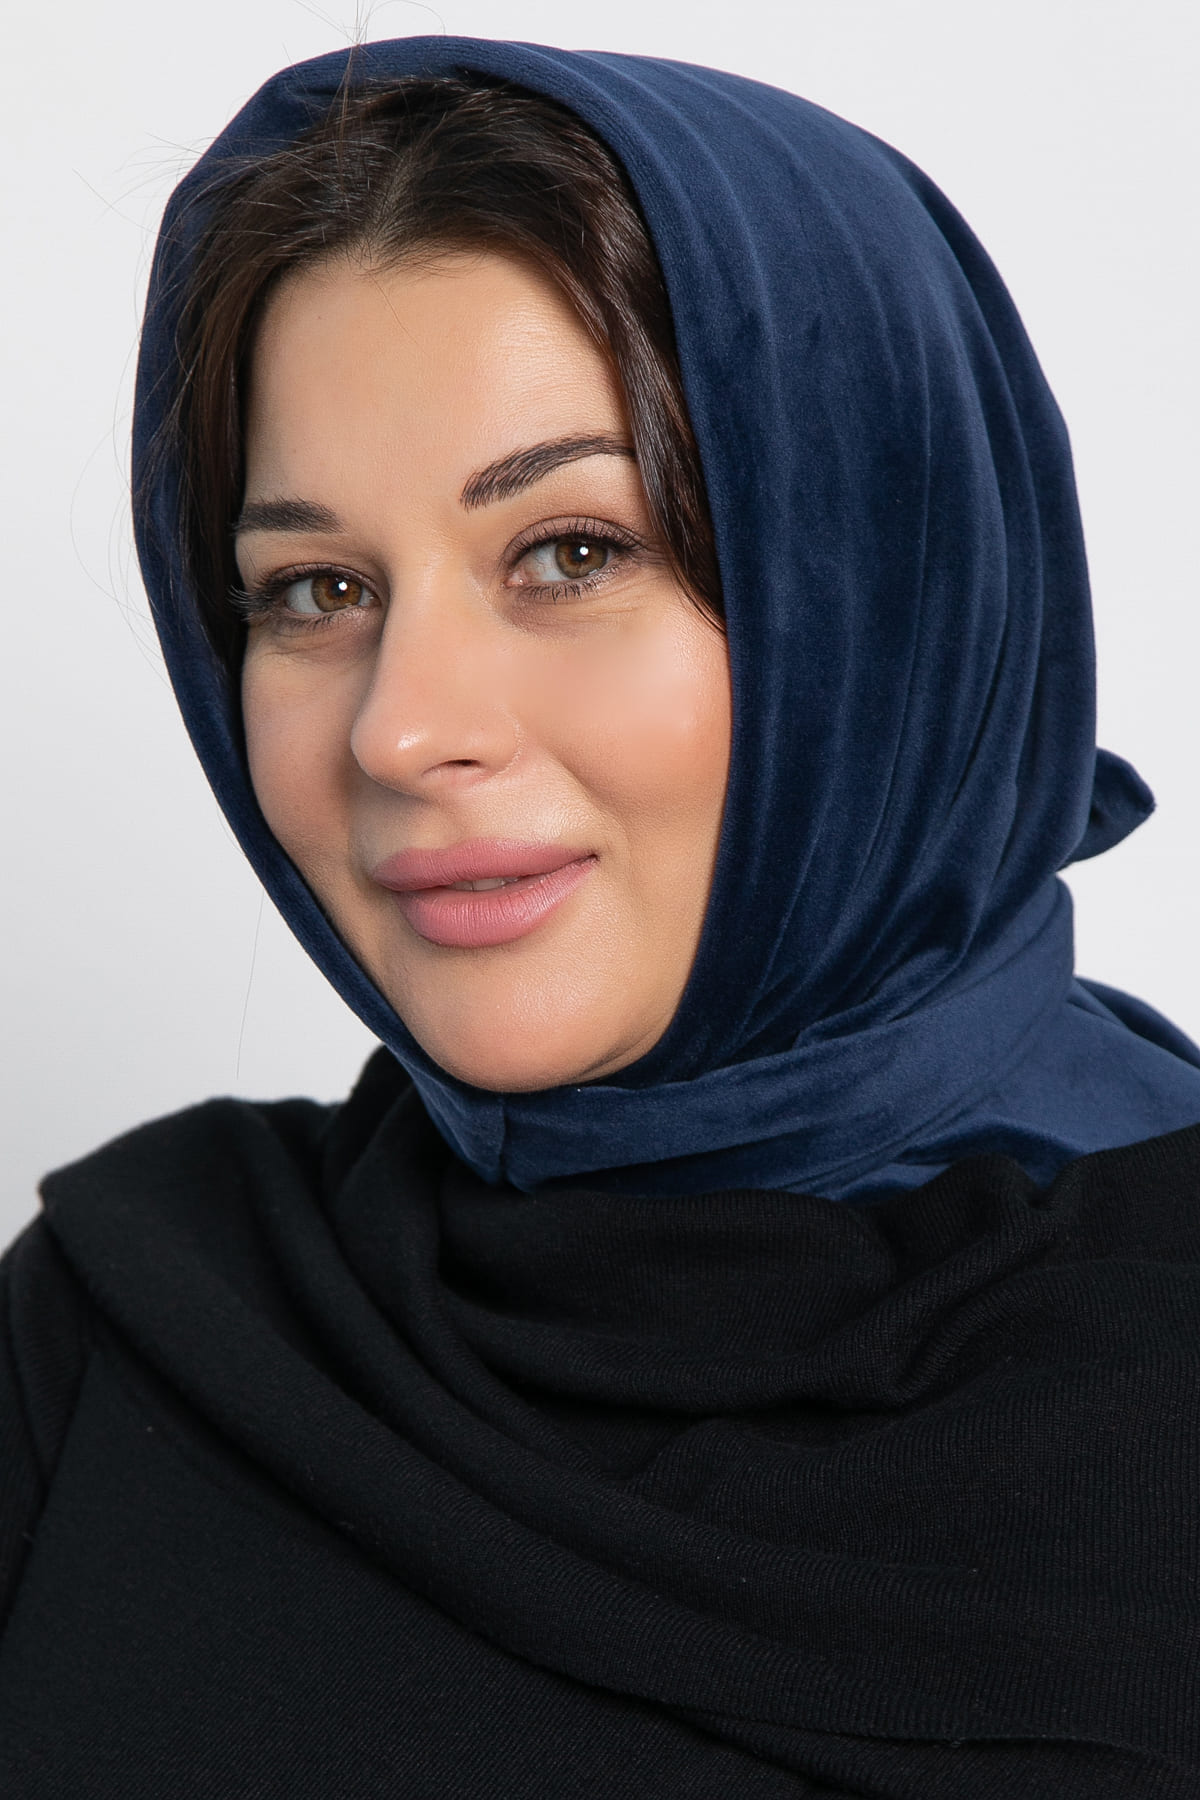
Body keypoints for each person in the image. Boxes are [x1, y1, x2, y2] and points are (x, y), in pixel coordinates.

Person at [2, 34, 1199, 1797]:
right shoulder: (135, 1320)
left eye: (571, 553)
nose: (401, 729)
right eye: (315, 589)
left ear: (891, 594)